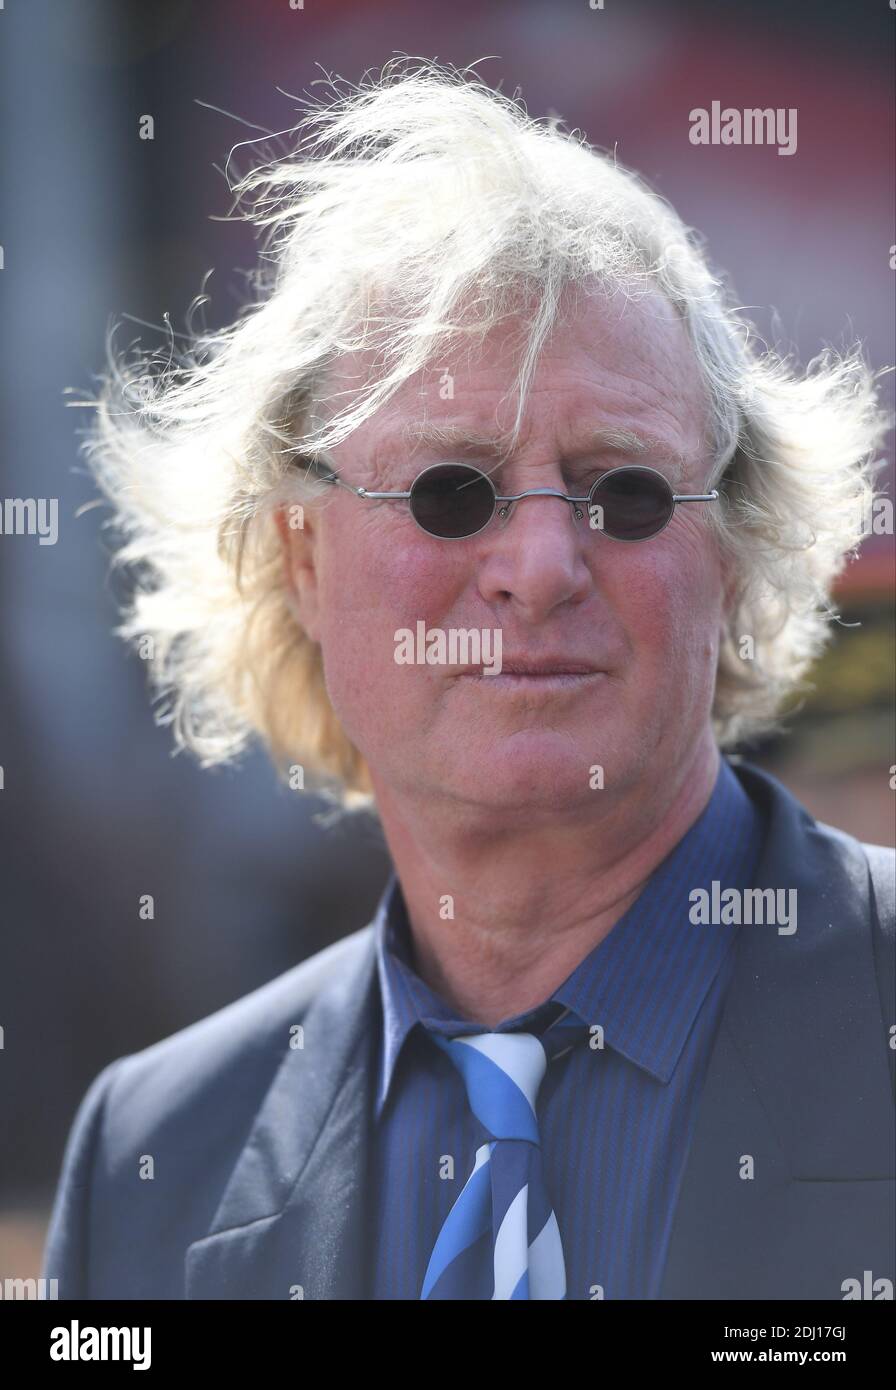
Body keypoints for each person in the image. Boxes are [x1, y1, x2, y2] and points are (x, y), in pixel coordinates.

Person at [44, 61, 894, 1300]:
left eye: (625, 489)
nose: (542, 563)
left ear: (731, 551)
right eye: (451, 492)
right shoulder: (155, 1159)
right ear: (298, 555)